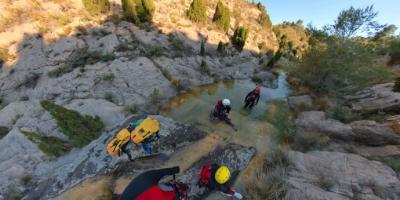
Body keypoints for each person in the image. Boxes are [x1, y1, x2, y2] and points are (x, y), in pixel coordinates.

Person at [114, 166, 188, 200]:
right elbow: (161, 172)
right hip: (145, 179)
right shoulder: (125, 194)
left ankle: (177, 189)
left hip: (148, 185)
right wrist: (176, 169)